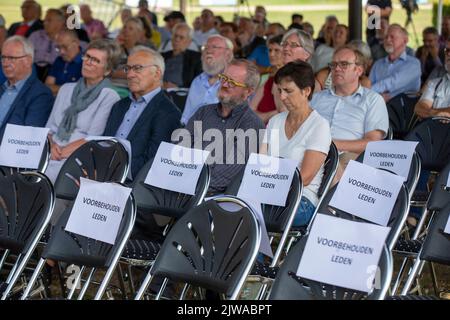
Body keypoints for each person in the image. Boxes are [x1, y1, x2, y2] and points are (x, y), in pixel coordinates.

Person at [175, 59, 264, 194]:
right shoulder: (203, 112)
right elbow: (179, 149)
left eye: (232, 82)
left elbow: (225, 176)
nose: (224, 84)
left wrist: (186, 183)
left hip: (212, 198)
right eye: (223, 78)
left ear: (248, 92)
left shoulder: (252, 125)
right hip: (181, 186)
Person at [261, 61, 331, 226]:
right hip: (269, 194)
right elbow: (261, 164)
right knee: (235, 209)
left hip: (301, 199)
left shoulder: (319, 125)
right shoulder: (275, 121)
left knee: (246, 214)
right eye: (279, 90)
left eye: (288, 91)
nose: (282, 97)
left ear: (306, 91)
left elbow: (304, 178)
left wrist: (267, 184)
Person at [44, 39, 122, 183]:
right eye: (87, 56)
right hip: (50, 151)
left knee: (46, 179)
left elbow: (93, 138)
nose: (88, 62)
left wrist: (62, 151)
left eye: (96, 60)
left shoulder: (109, 96)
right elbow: (49, 129)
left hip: (78, 157)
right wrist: (51, 146)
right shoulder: (66, 88)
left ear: (107, 70)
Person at [311, 45, 389, 182]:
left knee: (334, 166)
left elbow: (372, 143)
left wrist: (331, 145)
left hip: (348, 156)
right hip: (313, 152)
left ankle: (328, 203)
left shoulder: (372, 100)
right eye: (333, 65)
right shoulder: (318, 98)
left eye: (344, 64)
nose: (337, 69)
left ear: (359, 70)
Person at [103, 47, 181, 178]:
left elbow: (152, 162)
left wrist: (111, 171)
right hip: (103, 174)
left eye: (137, 68)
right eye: (128, 68)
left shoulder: (168, 113)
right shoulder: (119, 106)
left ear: (157, 73)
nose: (129, 74)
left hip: (131, 184)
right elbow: (104, 143)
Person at [0, 36, 53, 138]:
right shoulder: (2, 88)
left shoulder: (40, 95)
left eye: (11, 58)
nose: (5, 63)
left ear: (28, 61)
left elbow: (27, 137)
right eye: (3, 58)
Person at [181, 35, 233, 125]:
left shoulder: (234, 83)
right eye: (205, 48)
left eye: (214, 47)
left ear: (228, 55)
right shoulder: (197, 81)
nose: (208, 51)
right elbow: (186, 118)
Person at [369, 24, 421, 101]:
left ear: (405, 40)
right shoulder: (378, 64)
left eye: (392, 37)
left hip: (403, 110)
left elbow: (393, 83)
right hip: (376, 106)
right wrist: (377, 96)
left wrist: (369, 93)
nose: (387, 40)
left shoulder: (413, 64)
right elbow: (369, 84)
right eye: (386, 37)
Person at [250, 35, 284, 124]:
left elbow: (283, 111)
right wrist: (270, 115)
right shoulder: (268, 77)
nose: (271, 54)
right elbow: (252, 108)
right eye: (270, 50)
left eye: (277, 50)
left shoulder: (288, 78)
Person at [414, 39, 450, 120]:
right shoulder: (434, 83)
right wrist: (440, 114)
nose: (449, 54)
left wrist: (431, 113)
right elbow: (419, 109)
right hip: (431, 130)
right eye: (447, 50)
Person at [28, 8, 66, 81]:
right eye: (44, 20)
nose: (45, 23)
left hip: (56, 73)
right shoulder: (35, 35)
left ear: (60, 23)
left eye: (49, 20)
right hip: (34, 71)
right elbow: (25, 54)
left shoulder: (67, 38)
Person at [161, 23, 202, 89]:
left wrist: (178, 87)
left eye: (181, 37)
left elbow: (198, 84)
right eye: (175, 36)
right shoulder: (162, 56)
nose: (177, 39)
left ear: (189, 41)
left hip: (181, 93)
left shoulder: (196, 58)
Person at [45, 30, 83, 95]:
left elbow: (79, 92)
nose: (61, 52)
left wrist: (56, 89)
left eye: (65, 47)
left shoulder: (86, 63)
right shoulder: (59, 60)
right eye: (58, 48)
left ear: (76, 43)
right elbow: (47, 87)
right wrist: (67, 90)